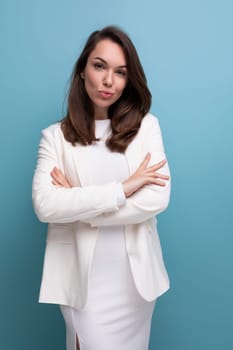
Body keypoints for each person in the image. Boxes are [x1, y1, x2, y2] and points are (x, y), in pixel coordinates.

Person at [32, 25, 171, 350]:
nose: (109, 80)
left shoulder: (146, 128)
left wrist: (81, 208)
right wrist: (124, 188)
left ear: (128, 79)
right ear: (82, 70)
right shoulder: (55, 137)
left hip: (134, 285)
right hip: (83, 284)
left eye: (120, 72)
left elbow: (156, 199)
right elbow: (45, 205)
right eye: (99, 66)